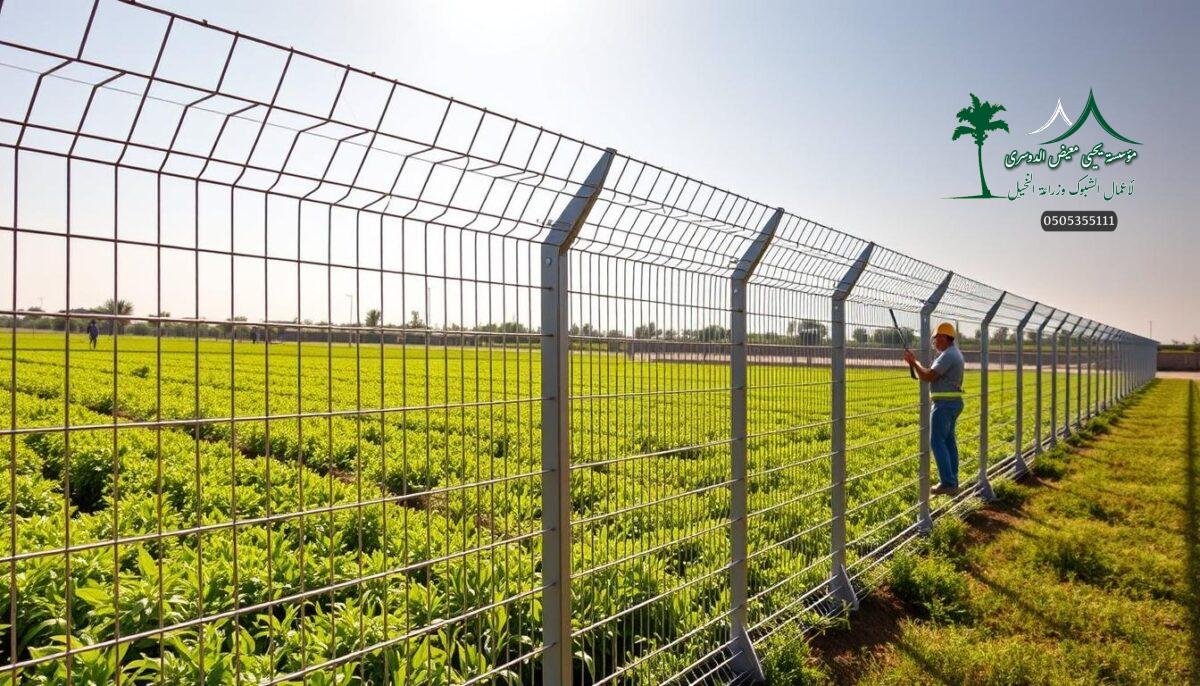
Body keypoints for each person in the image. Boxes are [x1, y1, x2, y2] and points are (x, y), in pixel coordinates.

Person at [902, 322, 964, 495]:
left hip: (944, 404)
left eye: (936, 338)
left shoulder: (948, 355)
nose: (935, 341)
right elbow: (928, 372)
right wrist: (915, 363)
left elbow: (928, 376)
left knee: (937, 441)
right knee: (949, 442)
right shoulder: (953, 353)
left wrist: (914, 363)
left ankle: (948, 482)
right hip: (952, 402)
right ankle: (952, 480)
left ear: (944, 337)